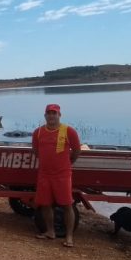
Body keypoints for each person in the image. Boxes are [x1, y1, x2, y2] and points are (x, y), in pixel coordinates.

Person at [31, 103, 81, 247]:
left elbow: (77, 151)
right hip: (44, 174)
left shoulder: (68, 131)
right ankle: (50, 232)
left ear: (59, 115)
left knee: (67, 205)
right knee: (45, 204)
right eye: (49, 113)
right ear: (45, 115)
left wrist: (67, 163)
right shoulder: (38, 132)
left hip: (62, 175)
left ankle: (69, 236)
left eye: (54, 113)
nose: (51, 116)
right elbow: (36, 151)